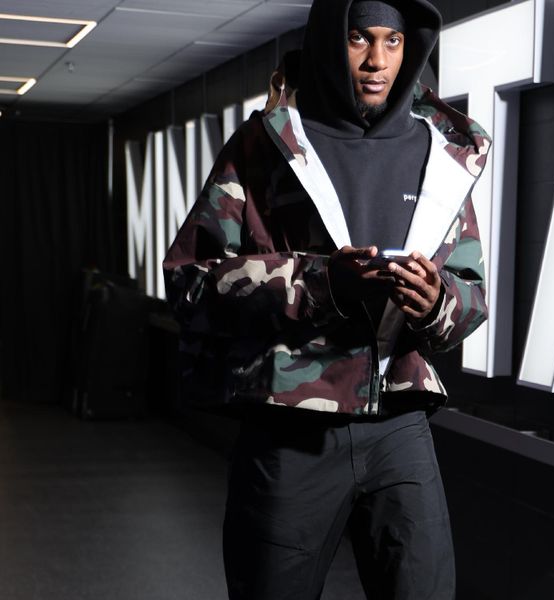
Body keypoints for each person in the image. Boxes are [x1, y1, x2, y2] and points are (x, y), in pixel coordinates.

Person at [163, 0, 490, 598]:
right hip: (291, 425)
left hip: (399, 422)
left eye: (393, 42)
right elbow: (191, 280)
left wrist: (435, 300)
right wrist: (321, 284)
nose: (377, 61)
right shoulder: (266, 146)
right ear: (326, 41)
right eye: (359, 39)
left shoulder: (441, 154)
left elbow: (472, 291)